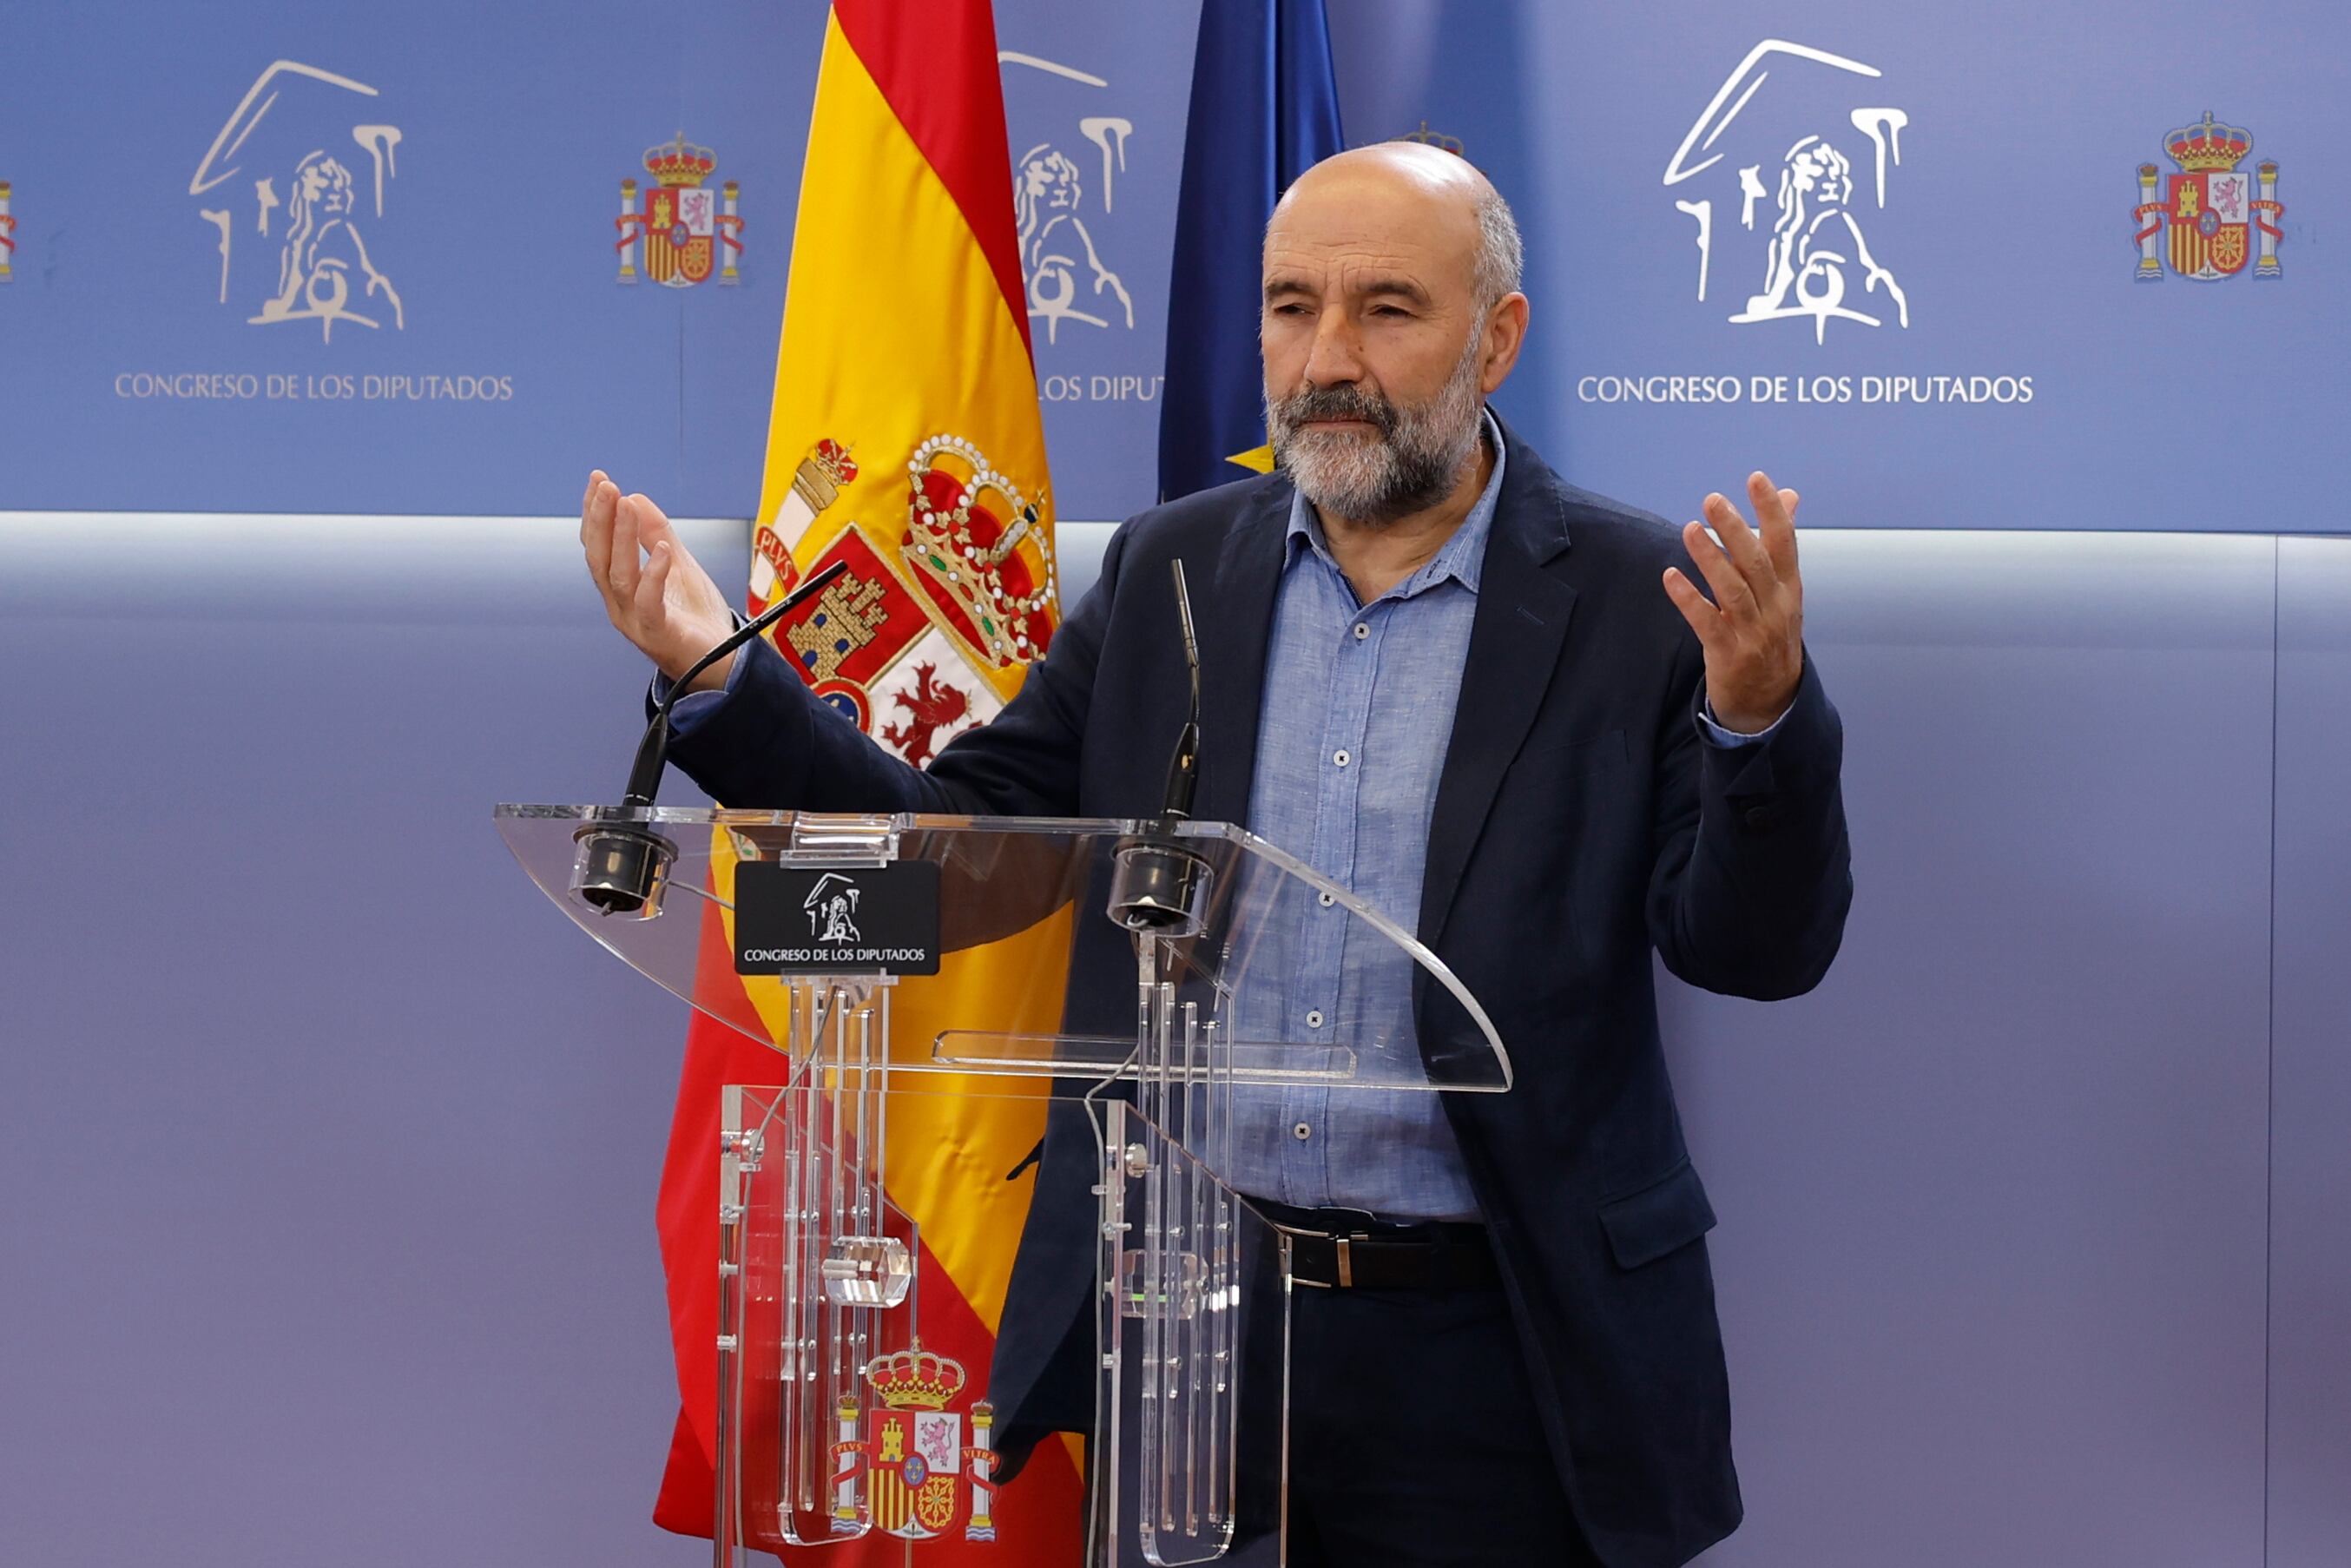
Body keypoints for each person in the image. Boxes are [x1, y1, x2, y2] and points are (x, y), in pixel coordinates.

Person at [580, 142, 1851, 1568]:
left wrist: (1757, 721)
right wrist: (717, 682)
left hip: (1500, 1348)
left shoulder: (1638, 600)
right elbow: (966, 854)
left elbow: (1752, 950)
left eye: (1386, 310)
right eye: (1291, 306)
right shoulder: (1172, 568)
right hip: (1189, 1332)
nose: (1327, 358)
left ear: (1496, 337)